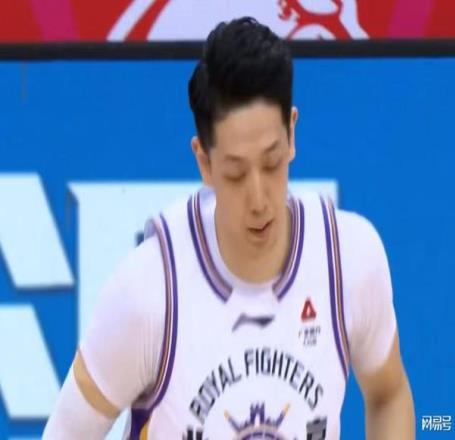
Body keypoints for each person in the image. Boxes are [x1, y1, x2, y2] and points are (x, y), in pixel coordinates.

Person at [43, 16, 415, 439]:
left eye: (272, 162)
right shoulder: (150, 293)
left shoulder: (348, 260)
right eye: (236, 173)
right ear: (204, 161)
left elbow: (388, 394)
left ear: (292, 133)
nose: (258, 199)